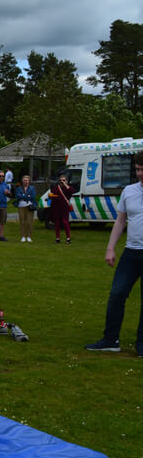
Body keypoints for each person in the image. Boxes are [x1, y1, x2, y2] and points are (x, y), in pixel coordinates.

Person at [85, 151, 143, 357]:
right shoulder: (129, 191)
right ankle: (111, 340)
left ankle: (142, 345)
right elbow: (120, 221)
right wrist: (110, 248)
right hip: (131, 252)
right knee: (117, 294)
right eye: (137, 169)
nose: (140, 174)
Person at [50, 174, 74, 244]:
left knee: (65, 222)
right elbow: (53, 195)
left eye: (63, 180)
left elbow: (71, 191)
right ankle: (57, 238)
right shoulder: (56, 187)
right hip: (57, 207)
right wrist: (51, 196)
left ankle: (68, 238)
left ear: (66, 181)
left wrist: (65, 184)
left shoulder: (68, 187)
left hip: (65, 207)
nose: (62, 182)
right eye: (60, 180)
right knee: (57, 223)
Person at [14, 174, 37, 243]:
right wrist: (27, 195)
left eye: (27, 180)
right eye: (24, 180)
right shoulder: (19, 188)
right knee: (22, 222)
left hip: (30, 206)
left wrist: (23, 196)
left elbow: (32, 197)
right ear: (22, 181)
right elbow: (18, 196)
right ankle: (23, 236)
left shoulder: (32, 188)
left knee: (29, 222)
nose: (25, 181)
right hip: (21, 206)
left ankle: (29, 236)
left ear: (29, 181)